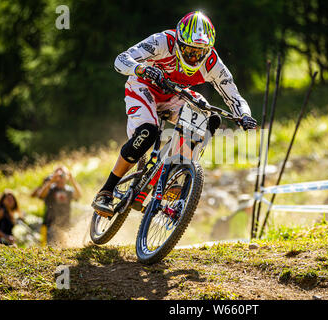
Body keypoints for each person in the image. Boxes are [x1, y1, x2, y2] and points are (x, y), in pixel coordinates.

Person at [91, 11, 257, 217]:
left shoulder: (212, 62)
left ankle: (178, 170)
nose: (193, 56)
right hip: (143, 88)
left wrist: (244, 115)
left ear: (208, 49)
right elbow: (121, 59)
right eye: (188, 50)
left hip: (176, 95)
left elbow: (233, 95)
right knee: (147, 132)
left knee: (211, 119)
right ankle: (106, 191)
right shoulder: (162, 41)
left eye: (199, 52)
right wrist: (141, 69)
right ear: (178, 41)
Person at [36, 166, 82, 245]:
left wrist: (72, 179)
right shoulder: (50, 188)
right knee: (50, 248)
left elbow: (78, 195)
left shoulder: (69, 190)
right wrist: (51, 181)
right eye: (59, 175)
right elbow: (41, 195)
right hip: (50, 225)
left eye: (63, 174)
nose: (61, 177)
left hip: (65, 225)